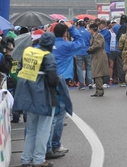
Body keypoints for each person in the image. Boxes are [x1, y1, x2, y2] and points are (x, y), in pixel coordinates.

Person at [13, 32, 59, 167]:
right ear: (51, 44)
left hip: (29, 96)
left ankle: (25, 159)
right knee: (44, 130)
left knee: (31, 129)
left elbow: (19, 70)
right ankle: (39, 159)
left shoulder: (28, 52)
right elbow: (52, 79)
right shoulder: (48, 56)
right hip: (44, 97)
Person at [50, 21, 83, 155]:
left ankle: (47, 145)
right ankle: (55, 144)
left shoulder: (45, 45)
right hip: (61, 81)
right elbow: (81, 42)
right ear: (65, 33)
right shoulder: (67, 45)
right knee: (59, 114)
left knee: (50, 114)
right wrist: (72, 28)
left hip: (47, 80)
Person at [88, 23, 110, 97]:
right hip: (96, 55)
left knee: (98, 73)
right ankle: (98, 90)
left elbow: (97, 45)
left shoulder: (99, 36)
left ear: (92, 29)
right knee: (96, 73)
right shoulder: (94, 36)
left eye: (89, 29)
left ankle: (100, 90)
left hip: (99, 55)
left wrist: (90, 49)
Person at [75, 20, 93, 90]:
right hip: (87, 51)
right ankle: (90, 82)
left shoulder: (77, 32)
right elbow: (90, 41)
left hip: (79, 52)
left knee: (79, 68)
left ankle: (81, 84)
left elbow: (75, 43)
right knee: (89, 67)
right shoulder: (88, 32)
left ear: (79, 25)